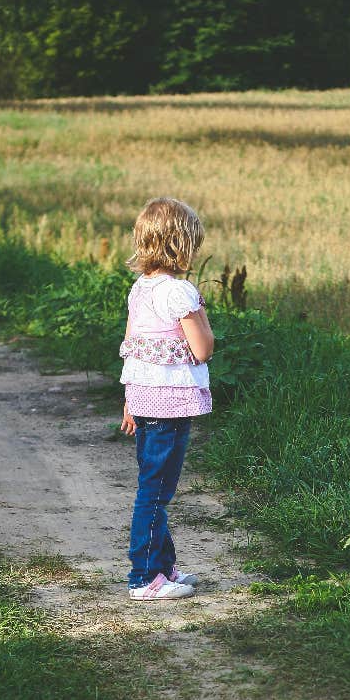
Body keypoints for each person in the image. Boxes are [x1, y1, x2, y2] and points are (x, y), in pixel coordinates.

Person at [119, 197, 214, 600]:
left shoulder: (140, 289)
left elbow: (132, 346)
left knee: (154, 487)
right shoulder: (179, 292)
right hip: (170, 403)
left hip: (144, 399)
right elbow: (203, 348)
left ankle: (164, 567)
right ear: (181, 246)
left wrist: (128, 401)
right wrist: (201, 312)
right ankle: (144, 578)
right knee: (155, 491)